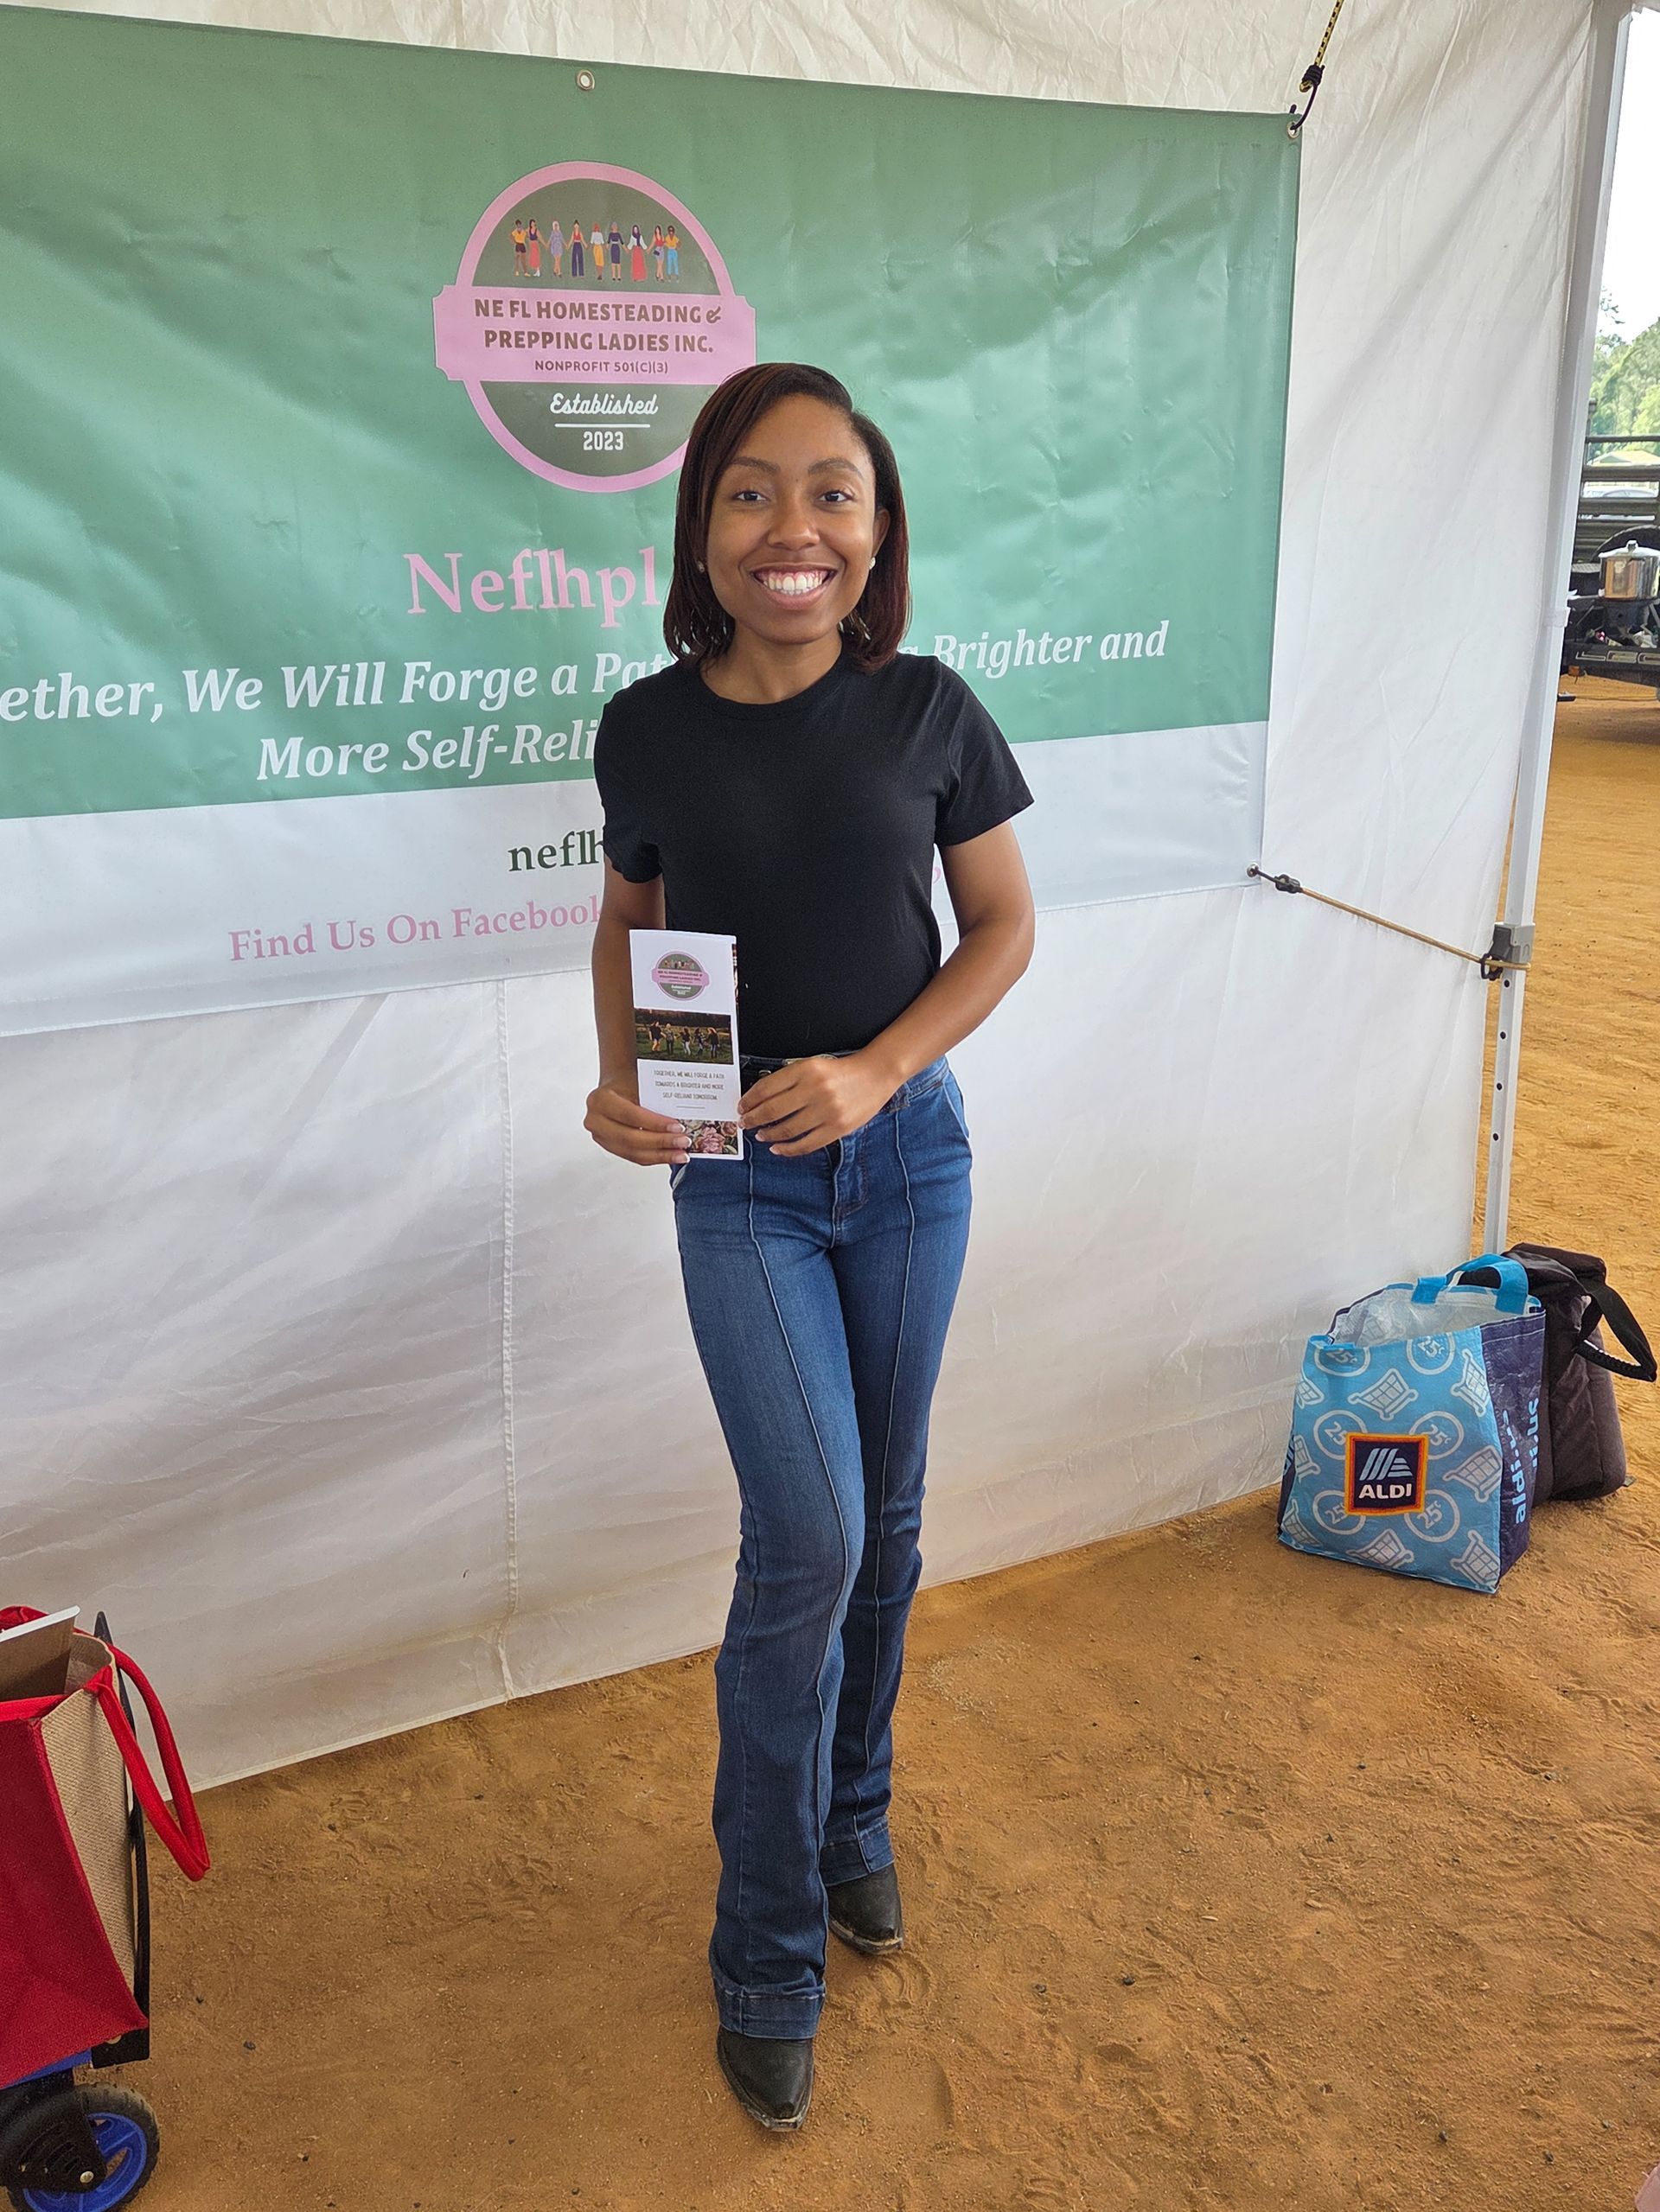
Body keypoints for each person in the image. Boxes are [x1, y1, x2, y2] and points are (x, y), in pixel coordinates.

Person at [585, 362, 1035, 2132]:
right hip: (742, 1184)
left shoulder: (929, 707)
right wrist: (624, 1082)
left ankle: (857, 1817)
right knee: (814, 1538)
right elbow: (631, 923)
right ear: (705, 525)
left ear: (878, 526)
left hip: (908, 1162)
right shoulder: (646, 725)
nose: (798, 528)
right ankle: (763, 1946)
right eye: (757, 493)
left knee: (895, 1518)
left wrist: (877, 1070)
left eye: (834, 492)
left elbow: (999, 928)